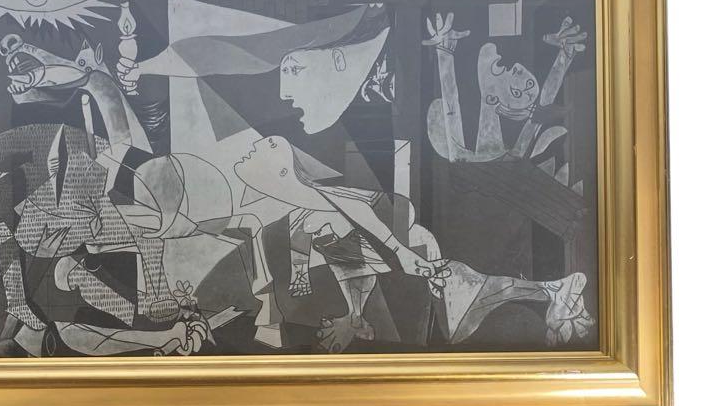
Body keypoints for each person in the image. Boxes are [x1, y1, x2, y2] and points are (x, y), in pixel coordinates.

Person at [235, 136, 594, 350]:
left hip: (414, 250)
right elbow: (352, 266)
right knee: (466, 303)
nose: (249, 151)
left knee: (467, 298)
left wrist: (401, 253)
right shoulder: (305, 220)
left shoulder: (324, 201)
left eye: (260, 148)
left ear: (281, 171)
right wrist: (355, 314)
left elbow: (362, 216)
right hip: (407, 259)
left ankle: (553, 291)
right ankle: (553, 293)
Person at [424, 12, 587, 162]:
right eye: (529, 83)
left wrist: (445, 52)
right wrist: (564, 56)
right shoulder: (512, 150)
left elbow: (450, 104)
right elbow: (545, 99)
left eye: (516, 92)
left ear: (493, 99)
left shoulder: (466, 152)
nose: (522, 80)